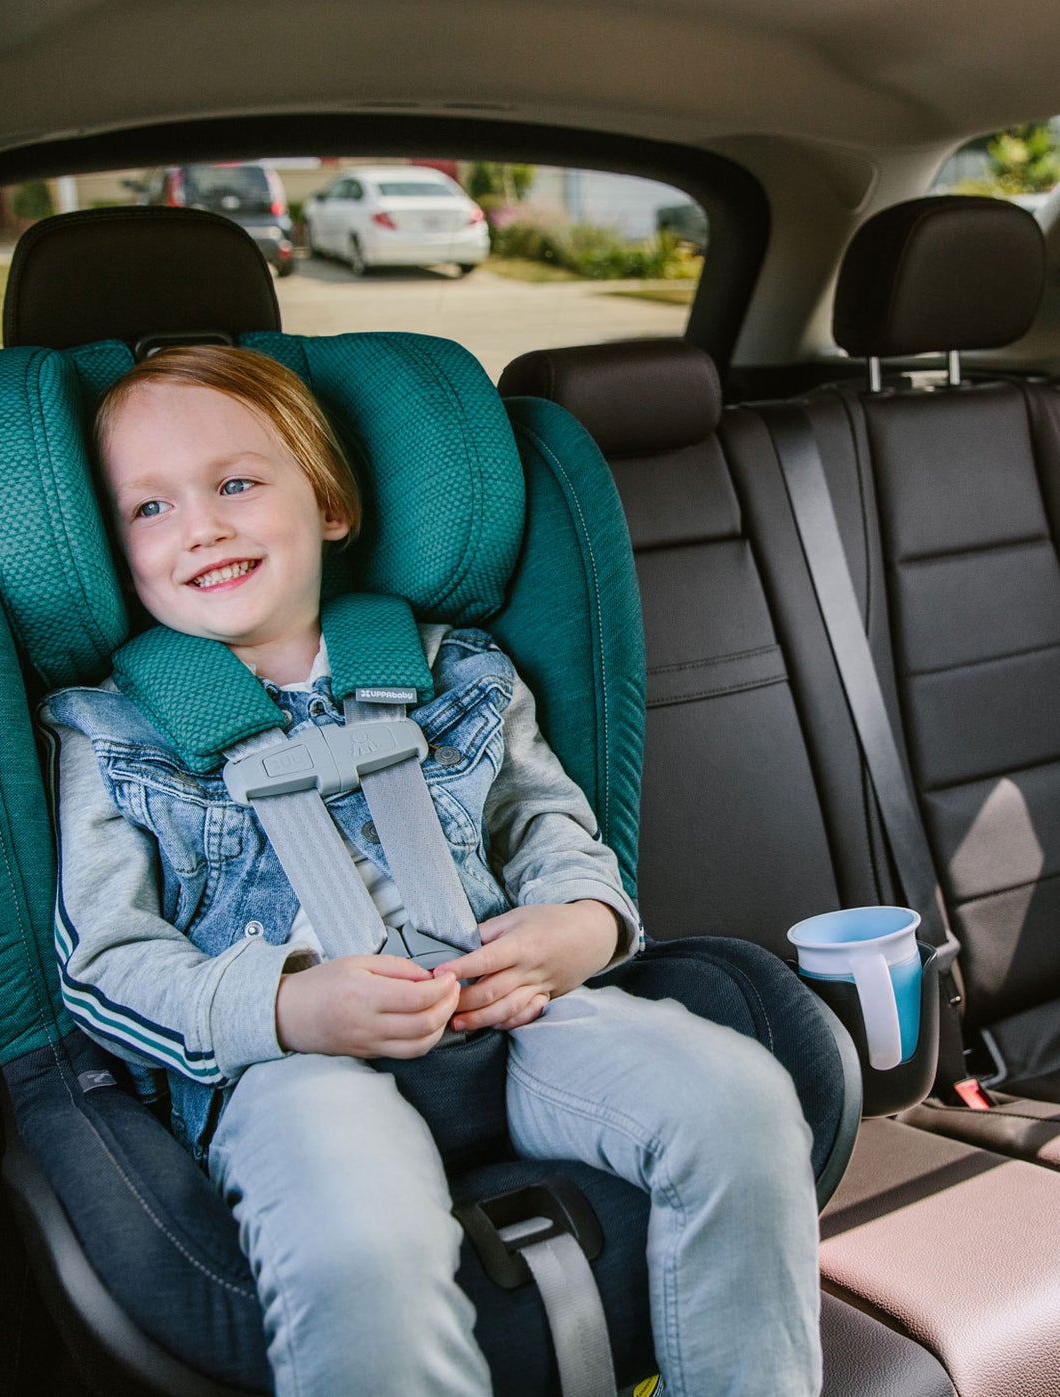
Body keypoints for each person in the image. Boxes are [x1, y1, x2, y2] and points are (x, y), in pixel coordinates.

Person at [40, 344, 821, 1397]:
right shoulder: (108, 732)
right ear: (113, 552)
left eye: (234, 482)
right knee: (358, 1241)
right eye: (148, 508)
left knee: (737, 1101)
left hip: (513, 1012)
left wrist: (581, 924)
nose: (201, 526)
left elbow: (548, 826)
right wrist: (283, 1007)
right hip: (289, 1069)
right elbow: (104, 963)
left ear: (325, 503)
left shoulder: (455, 668)